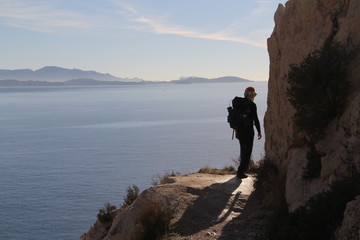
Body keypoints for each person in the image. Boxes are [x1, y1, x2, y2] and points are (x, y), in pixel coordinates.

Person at [234, 86, 262, 178]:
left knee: (243, 150)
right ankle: (241, 172)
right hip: (248, 131)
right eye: (253, 95)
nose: (254, 97)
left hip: (239, 131)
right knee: (247, 152)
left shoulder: (239, 103)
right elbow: (256, 119)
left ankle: (240, 171)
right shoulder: (252, 105)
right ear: (251, 95)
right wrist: (259, 131)